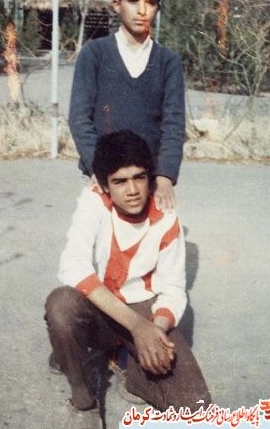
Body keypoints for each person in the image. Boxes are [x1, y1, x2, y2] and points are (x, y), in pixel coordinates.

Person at [45, 131, 210, 429]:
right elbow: (73, 265)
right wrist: (138, 328)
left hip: (144, 310)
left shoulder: (166, 216)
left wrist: (155, 332)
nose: (132, 190)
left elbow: (173, 289)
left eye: (139, 177)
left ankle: (133, 371)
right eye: (120, 181)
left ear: (150, 178)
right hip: (101, 310)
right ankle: (84, 401)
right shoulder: (93, 202)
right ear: (104, 185)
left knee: (196, 407)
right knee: (61, 305)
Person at [68, 0, 185, 213]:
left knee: (149, 237)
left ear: (158, 8)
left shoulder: (168, 61)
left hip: (147, 179)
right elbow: (79, 118)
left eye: (150, 2)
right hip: (102, 177)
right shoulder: (95, 54)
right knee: (98, 235)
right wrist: (98, 168)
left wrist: (165, 175)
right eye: (133, 0)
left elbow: (173, 124)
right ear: (117, 5)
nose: (142, 10)